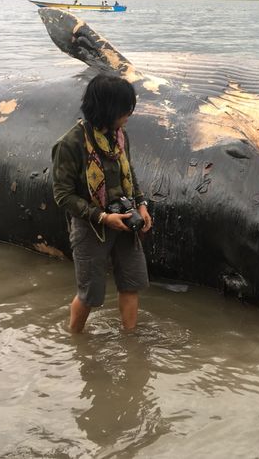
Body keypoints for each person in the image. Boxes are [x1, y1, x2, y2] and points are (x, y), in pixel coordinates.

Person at [51, 74, 152, 333]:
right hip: (92, 227)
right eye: (125, 109)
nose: (129, 113)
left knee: (131, 283)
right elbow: (62, 195)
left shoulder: (120, 136)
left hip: (126, 221)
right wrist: (102, 217)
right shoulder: (71, 144)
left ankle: (130, 341)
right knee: (89, 294)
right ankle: (76, 341)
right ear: (108, 109)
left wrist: (141, 205)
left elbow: (130, 173)